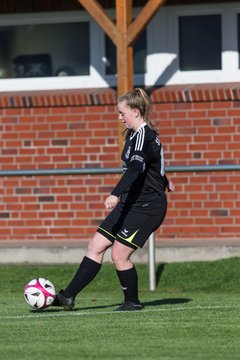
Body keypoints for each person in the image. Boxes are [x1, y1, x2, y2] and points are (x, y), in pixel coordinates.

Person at [53, 88, 174, 311]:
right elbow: (155, 164)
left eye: (122, 113)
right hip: (131, 202)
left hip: (147, 206)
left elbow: (137, 167)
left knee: (119, 254)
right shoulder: (133, 136)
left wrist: (115, 193)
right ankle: (67, 297)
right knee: (96, 244)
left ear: (136, 112)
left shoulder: (145, 136)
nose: (119, 117)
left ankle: (132, 302)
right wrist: (165, 178)